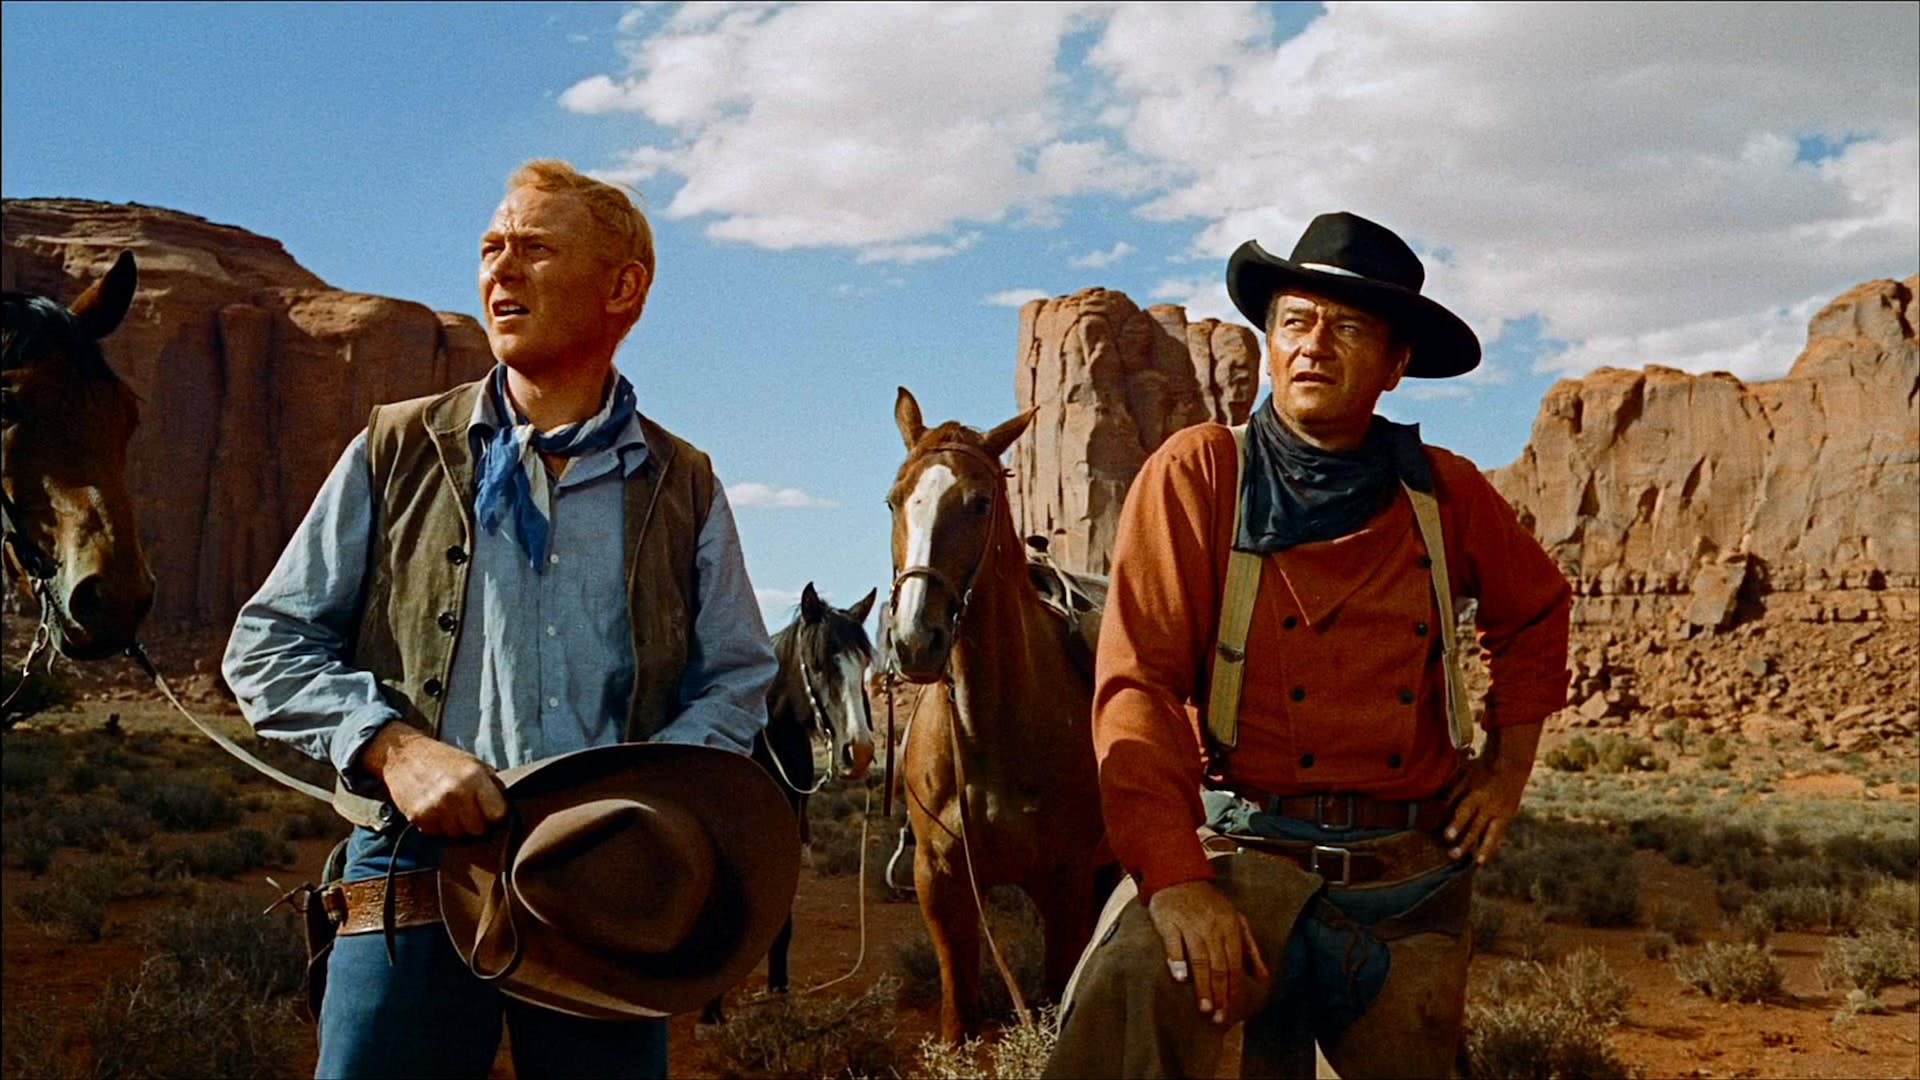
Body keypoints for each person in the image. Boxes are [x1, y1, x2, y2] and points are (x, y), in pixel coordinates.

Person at [223, 159, 778, 1080]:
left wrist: (650, 801)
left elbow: (737, 675)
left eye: (535, 248)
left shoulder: (682, 482)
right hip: (406, 879)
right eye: (491, 248)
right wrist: (396, 750)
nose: (500, 271)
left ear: (623, 288)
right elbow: (267, 641)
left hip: (606, 897)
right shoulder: (396, 447)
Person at [1046, 212, 1571, 1078]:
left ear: (1397, 365)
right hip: (1245, 858)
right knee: (1135, 988)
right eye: (1295, 321)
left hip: (1406, 884)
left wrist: (1507, 772)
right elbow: (1138, 683)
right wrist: (1175, 878)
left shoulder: (1446, 492)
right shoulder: (1201, 473)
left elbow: (1538, 610)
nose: (1313, 346)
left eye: (1350, 328)